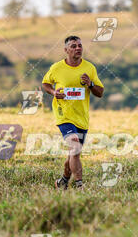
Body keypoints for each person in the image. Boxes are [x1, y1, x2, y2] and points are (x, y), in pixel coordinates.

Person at [42, 35, 104, 189]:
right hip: (64, 115)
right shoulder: (57, 67)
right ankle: (79, 185)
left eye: (80, 46)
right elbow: (45, 83)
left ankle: (62, 181)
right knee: (75, 147)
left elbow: (100, 92)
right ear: (66, 50)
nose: (78, 48)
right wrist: (54, 92)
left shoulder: (89, 68)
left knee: (73, 153)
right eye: (74, 46)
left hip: (81, 117)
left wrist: (90, 84)